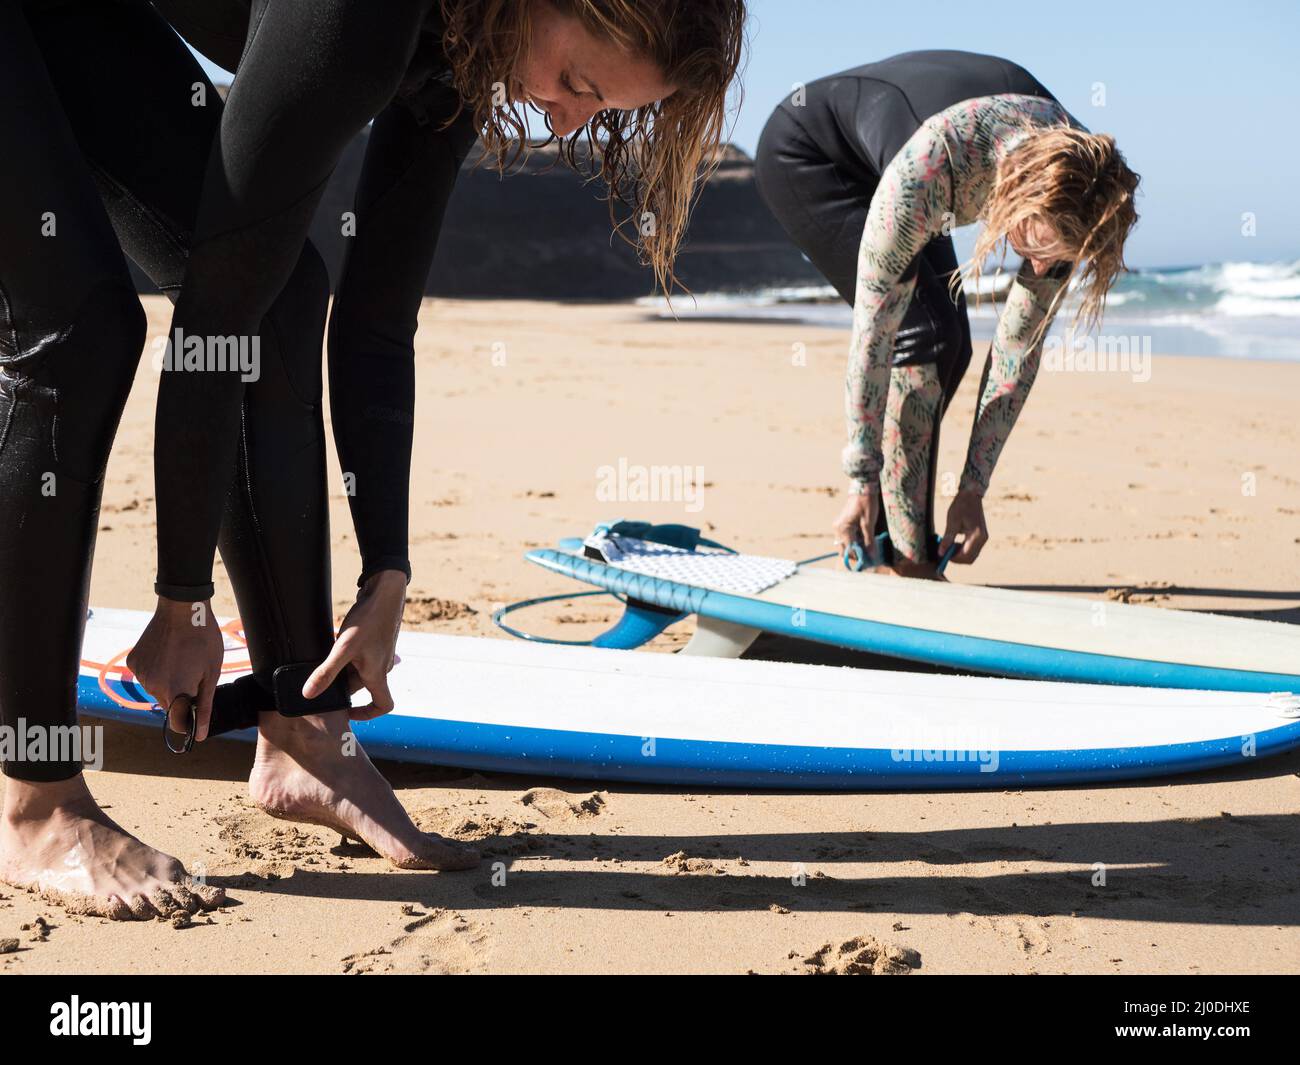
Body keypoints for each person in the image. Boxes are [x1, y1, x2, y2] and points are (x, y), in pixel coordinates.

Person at [0, 0, 746, 918]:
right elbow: (207, 324)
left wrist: (387, 571)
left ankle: (301, 729)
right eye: (580, 83)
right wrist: (181, 594)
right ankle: (33, 802)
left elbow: (377, 324)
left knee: (283, 298)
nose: (564, 118)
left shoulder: (470, 39)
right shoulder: (360, 19)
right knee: (78, 334)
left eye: (601, 110)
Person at [755, 51, 1139, 577]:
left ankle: (898, 545)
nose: (1043, 266)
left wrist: (973, 488)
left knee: (951, 343)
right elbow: (875, 336)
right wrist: (860, 478)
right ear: (1015, 198)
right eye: (1038, 247)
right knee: (925, 337)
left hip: (919, 159)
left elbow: (1017, 351)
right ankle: (904, 559)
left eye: (1058, 259)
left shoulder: (1084, 186)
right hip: (814, 156)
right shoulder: (932, 170)